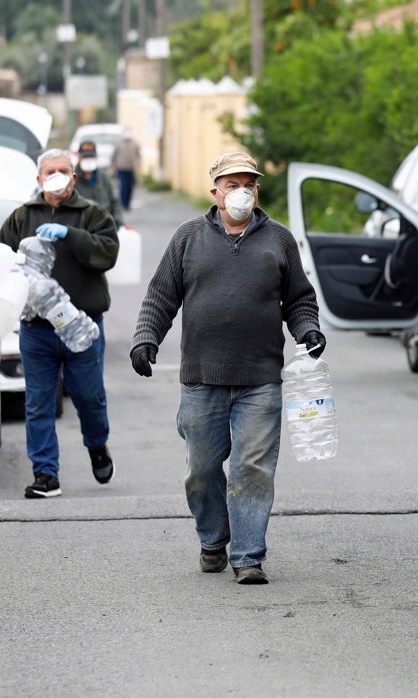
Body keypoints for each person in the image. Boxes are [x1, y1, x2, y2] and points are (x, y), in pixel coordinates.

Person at [130, 152, 325, 585]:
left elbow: (299, 299)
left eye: (250, 184)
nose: (242, 192)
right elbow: (161, 296)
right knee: (201, 471)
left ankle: (249, 555)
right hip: (202, 380)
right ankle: (213, 539)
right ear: (214, 190)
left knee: (251, 468)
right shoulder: (188, 238)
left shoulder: (279, 240)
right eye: (233, 184)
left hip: (260, 380)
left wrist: (307, 330)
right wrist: (146, 338)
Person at [0, 148, 120, 499]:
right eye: (50, 171)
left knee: (88, 397)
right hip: (37, 329)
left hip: (81, 326)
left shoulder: (92, 214)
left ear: (74, 176)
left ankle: (97, 445)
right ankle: (45, 474)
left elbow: (106, 254)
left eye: (64, 170)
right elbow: (3, 262)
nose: (57, 175)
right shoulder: (22, 217)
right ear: (39, 179)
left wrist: (69, 234)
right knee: (38, 402)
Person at [72, 140, 124, 227]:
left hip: (105, 225)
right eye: (85, 156)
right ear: (79, 157)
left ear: (96, 157)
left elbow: (114, 201)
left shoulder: (104, 176)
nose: (88, 159)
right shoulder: (72, 178)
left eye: (91, 156)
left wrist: (117, 220)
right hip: (82, 228)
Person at [111, 129, 141, 211]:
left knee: (129, 187)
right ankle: (123, 204)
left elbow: (138, 155)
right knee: (123, 186)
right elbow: (114, 155)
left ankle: (127, 203)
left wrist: (138, 165)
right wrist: (113, 165)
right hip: (121, 168)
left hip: (131, 169)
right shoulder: (119, 143)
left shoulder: (135, 143)